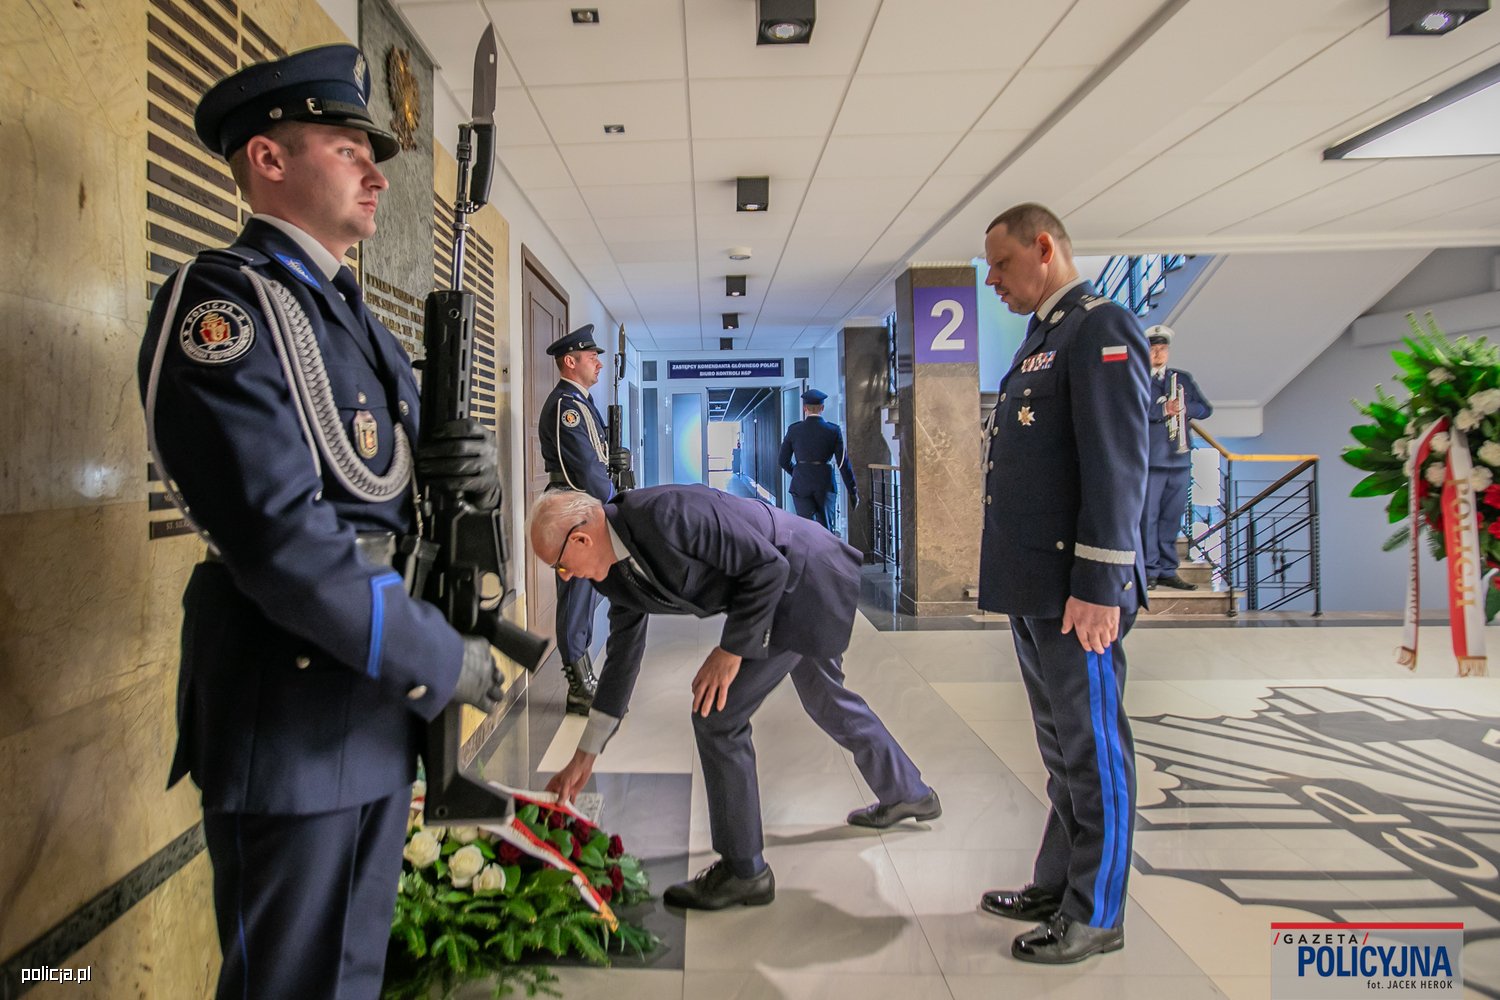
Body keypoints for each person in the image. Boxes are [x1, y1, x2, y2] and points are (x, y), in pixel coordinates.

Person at [136, 45, 507, 1000]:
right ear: (268, 159)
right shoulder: (223, 304)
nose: (376, 173)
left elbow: (401, 495)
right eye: (349, 149)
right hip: (294, 714)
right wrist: (435, 652)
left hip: (370, 706)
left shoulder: (354, 319)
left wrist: (476, 481)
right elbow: (279, 538)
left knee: (349, 978)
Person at [532, 485, 939, 909]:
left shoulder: (669, 515)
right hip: (779, 589)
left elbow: (769, 566)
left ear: (581, 539)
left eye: (559, 565)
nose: (565, 576)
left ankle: (745, 871)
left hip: (801, 579)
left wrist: (730, 650)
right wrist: (585, 755)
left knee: (718, 717)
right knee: (827, 698)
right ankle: (909, 791)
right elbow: (623, 655)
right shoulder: (612, 573)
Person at [975, 203, 1150, 964]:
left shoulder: (1099, 326)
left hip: (1078, 593)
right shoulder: (1044, 337)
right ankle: (1057, 884)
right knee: (1060, 749)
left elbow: (1117, 465)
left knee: (1094, 750)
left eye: (1002, 264)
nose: (992, 281)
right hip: (1036, 585)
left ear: (1044, 248)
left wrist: (1101, 584)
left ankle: (1098, 911)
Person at [538, 324, 613, 714]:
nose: (598, 363)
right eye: (592, 357)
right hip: (572, 509)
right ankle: (578, 685)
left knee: (587, 594)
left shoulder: (582, 402)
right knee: (576, 594)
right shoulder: (565, 406)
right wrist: (612, 498)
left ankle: (584, 676)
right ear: (570, 361)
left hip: (583, 508)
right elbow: (583, 467)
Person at [1142, 325, 1213, 590]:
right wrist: (1164, 410)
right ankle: (1149, 569)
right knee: (1148, 517)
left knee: (1172, 517)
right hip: (1152, 458)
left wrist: (1184, 407)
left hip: (1179, 459)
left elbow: (1205, 409)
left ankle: (1167, 569)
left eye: (1163, 349)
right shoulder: (1137, 378)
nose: (1159, 354)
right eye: (1154, 349)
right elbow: (1132, 410)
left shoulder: (1181, 379)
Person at [779, 388, 859, 529]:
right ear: (822, 408)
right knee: (826, 528)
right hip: (825, 483)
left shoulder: (794, 430)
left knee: (805, 528)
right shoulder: (833, 430)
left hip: (801, 484)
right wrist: (852, 490)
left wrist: (797, 472)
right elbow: (843, 463)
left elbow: (783, 461)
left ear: (805, 408)